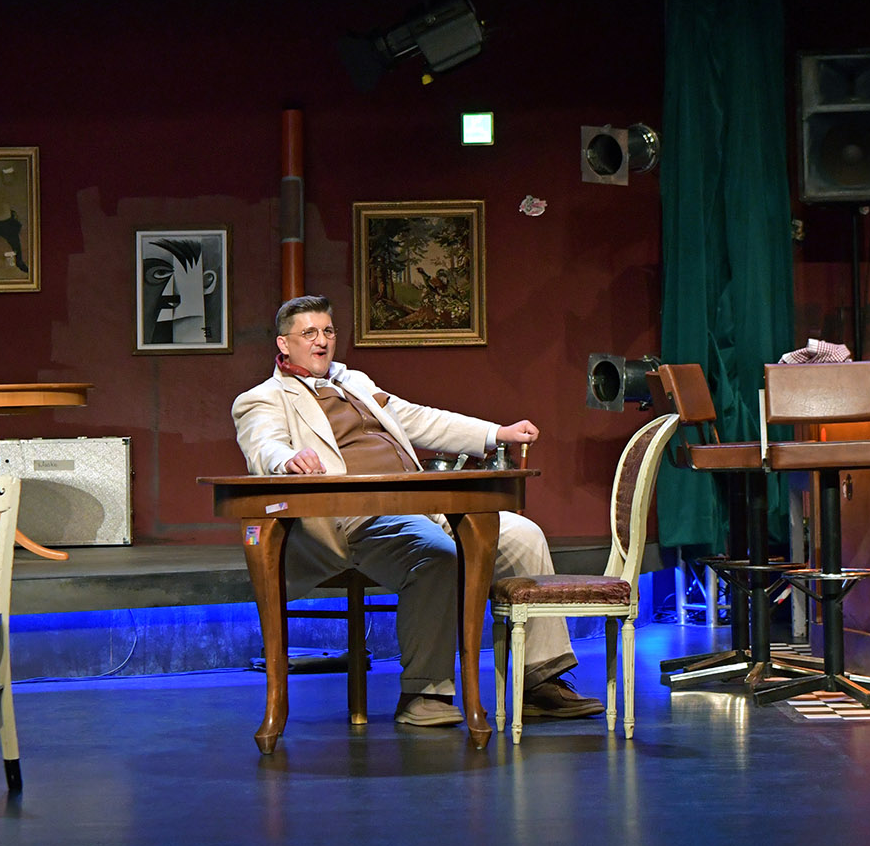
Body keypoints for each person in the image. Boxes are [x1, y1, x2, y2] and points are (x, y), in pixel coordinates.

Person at [231, 294, 602, 727]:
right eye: (309, 333)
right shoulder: (263, 398)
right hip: (354, 519)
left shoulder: (355, 382)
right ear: (284, 343)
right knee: (436, 556)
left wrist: (496, 433)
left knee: (523, 536)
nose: (322, 340)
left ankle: (539, 681)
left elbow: (420, 419)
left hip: (423, 506)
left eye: (328, 331)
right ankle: (424, 693)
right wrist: (288, 459)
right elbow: (264, 444)